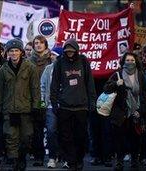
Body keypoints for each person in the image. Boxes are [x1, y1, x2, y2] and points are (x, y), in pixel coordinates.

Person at [50, 38, 96, 170]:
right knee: (65, 136)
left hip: (81, 106)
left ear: (76, 50)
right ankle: (71, 161)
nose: (70, 53)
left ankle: (79, 158)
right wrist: (54, 103)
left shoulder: (83, 61)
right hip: (64, 106)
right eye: (67, 51)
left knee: (81, 136)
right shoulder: (60, 63)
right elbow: (54, 84)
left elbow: (90, 83)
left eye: (72, 51)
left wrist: (92, 102)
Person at [0, 38, 40, 171]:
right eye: (11, 51)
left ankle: (21, 158)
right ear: (8, 53)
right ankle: (15, 163)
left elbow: (35, 89)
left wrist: (36, 107)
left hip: (26, 109)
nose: (14, 53)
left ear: (21, 52)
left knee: (26, 137)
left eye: (16, 51)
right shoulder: (3, 69)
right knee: (11, 138)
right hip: (9, 109)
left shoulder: (30, 67)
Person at [103, 52, 146, 170]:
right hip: (121, 113)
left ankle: (135, 161)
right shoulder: (117, 74)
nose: (130, 62)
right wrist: (115, 84)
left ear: (136, 61)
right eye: (127, 60)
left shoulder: (140, 75)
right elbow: (106, 89)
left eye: (132, 60)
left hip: (136, 113)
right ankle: (119, 162)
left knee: (136, 139)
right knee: (119, 140)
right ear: (123, 62)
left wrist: (141, 110)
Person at [28, 35, 52, 166]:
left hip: (49, 100)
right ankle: (39, 157)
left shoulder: (51, 60)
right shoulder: (28, 61)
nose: (38, 45)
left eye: (41, 43)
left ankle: (56, 156)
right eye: (36, 43)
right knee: (37, 131)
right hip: (34, 100)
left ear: (46, 45)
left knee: (52, 129)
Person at [40, 46, 63, 168]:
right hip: (49, 106)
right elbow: (42, 87)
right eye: (52, 54)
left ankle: (64, 157)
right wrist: (42, 105)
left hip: (65, 105)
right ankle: (52, 157)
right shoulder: (48, 69)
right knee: (50, 131)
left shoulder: (66, 69)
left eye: (54, 54)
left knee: (65, 132)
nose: (52, 56)